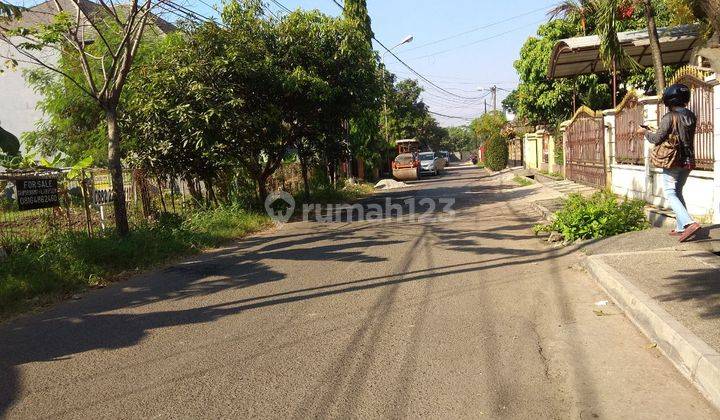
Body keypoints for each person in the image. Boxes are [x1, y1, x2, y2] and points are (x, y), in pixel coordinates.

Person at [642, 84, 702, 243]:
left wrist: (645, 132)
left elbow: (656, 139)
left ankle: (689, 222)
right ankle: (682, 226)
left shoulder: (669, 117)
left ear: (669, 100)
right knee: (678, 191)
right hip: (688, 160)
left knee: (670, 192)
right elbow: (678, 132)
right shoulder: (691, 115)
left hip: (673, 160)